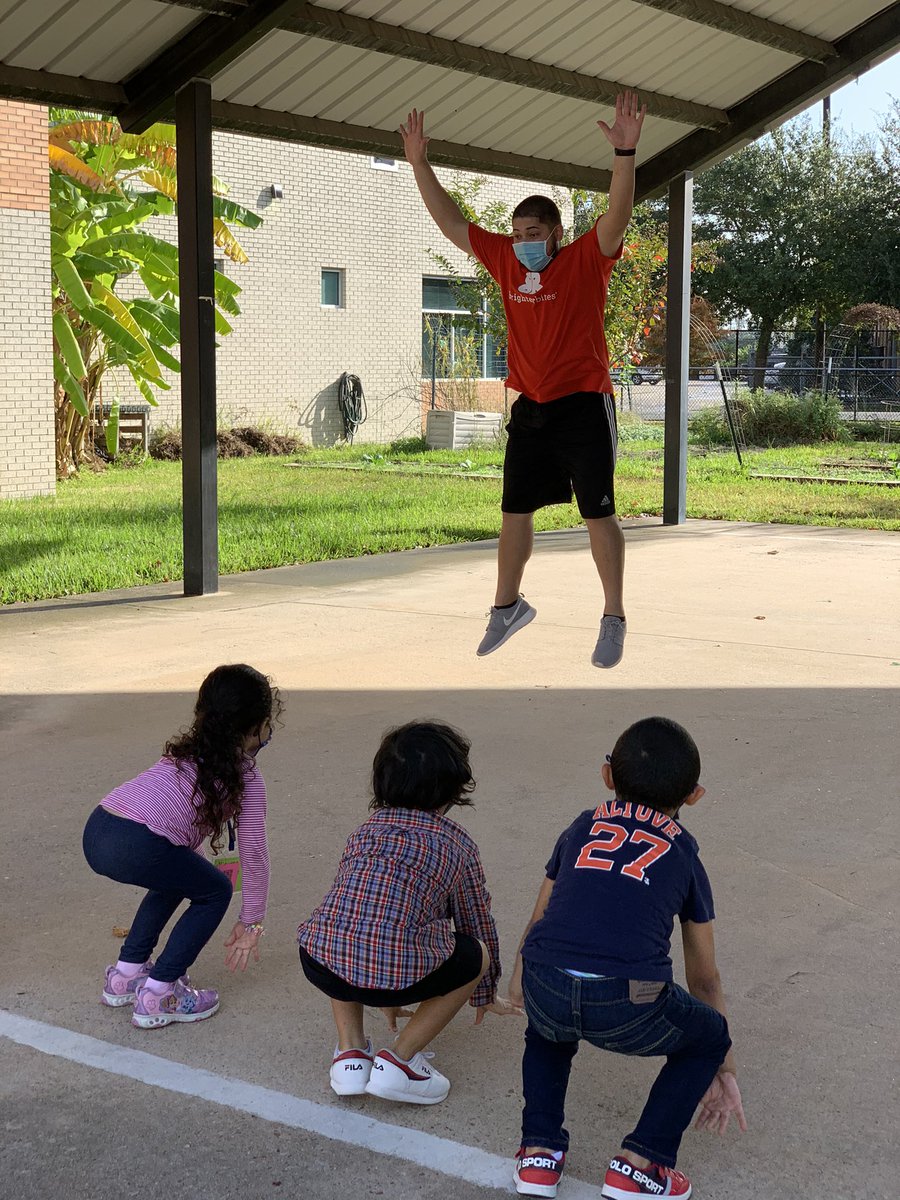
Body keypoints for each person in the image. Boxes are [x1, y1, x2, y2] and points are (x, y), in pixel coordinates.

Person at [400, 91, 647, 668]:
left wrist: (625, 152)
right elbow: (453, 222)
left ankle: (613, 616)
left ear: (556, 232)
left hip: (583, 403)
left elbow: (618, 213)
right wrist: (418, 162)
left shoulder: (587, 257)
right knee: (515, 511)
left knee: (598, 513)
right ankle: (506, 607)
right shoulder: (508, 260)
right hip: (531, 408)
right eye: (518, 232)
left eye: (534, 230)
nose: (524, 241)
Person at [508, 717, 746, 1198]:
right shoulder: (684, 854)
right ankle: (642, 1164)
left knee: (547, 1031)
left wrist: (519, 980)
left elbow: (541, 915)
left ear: (607, 775)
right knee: (707, 1035)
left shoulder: (583, 825)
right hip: (627, 1000)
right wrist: (722, 1063)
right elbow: (705, 980)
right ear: (694, 795)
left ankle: (538, 1154)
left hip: (545, 980)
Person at [297, 719, 522, 1105]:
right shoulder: (458, 844)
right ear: (453, 789)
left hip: (319, 960)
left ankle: (350, 1054)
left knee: (343, 925)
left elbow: (362, 909)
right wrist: (485, 991)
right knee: (475, 954)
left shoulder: (364, 831)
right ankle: (399, 1062)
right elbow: (475, 922)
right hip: (396, 965)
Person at [82, 663, 281, 1029]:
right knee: (215, 890)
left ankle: (126, 975)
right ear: (256, 727)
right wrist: (252, 921)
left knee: (180, 876)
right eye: (268, 724)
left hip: (98, 827)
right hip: (139, 842)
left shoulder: (182, 754)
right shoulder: (246, 775)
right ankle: (161, 993)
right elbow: (253, 853)